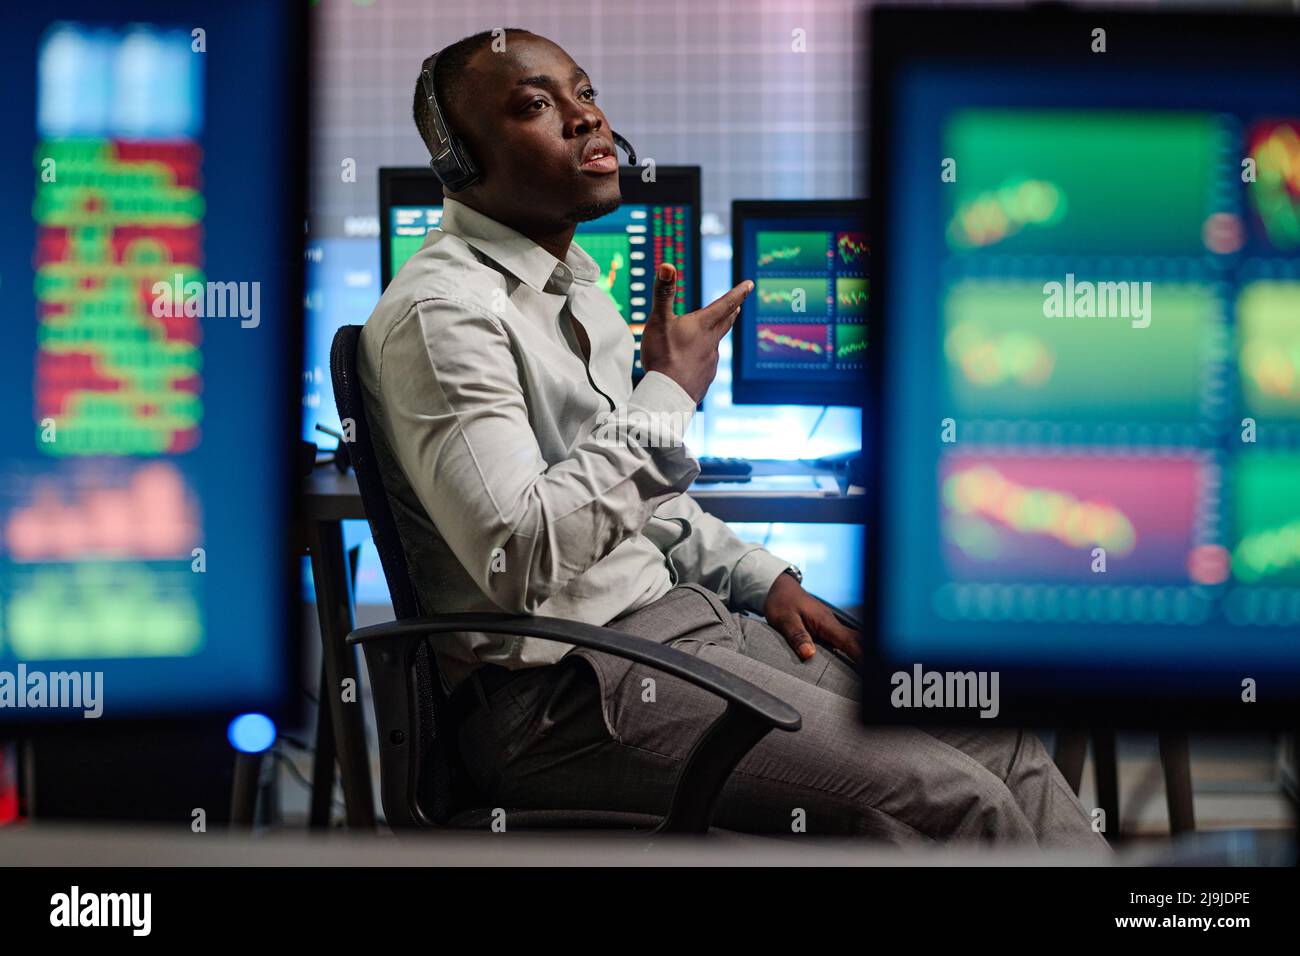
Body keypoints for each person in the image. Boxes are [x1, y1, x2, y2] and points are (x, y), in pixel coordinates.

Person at [358, 27, 1107, 847]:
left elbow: (639, 510)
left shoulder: (574, 288)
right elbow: (518, 555)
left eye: (585, 92)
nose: (583, 118)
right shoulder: (446, 316)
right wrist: (668, 394)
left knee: (997, 737)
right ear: (460, 161)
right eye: (538, 105)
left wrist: (762, 578)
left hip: (675, 628)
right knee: (953, 799)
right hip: (561, 696)